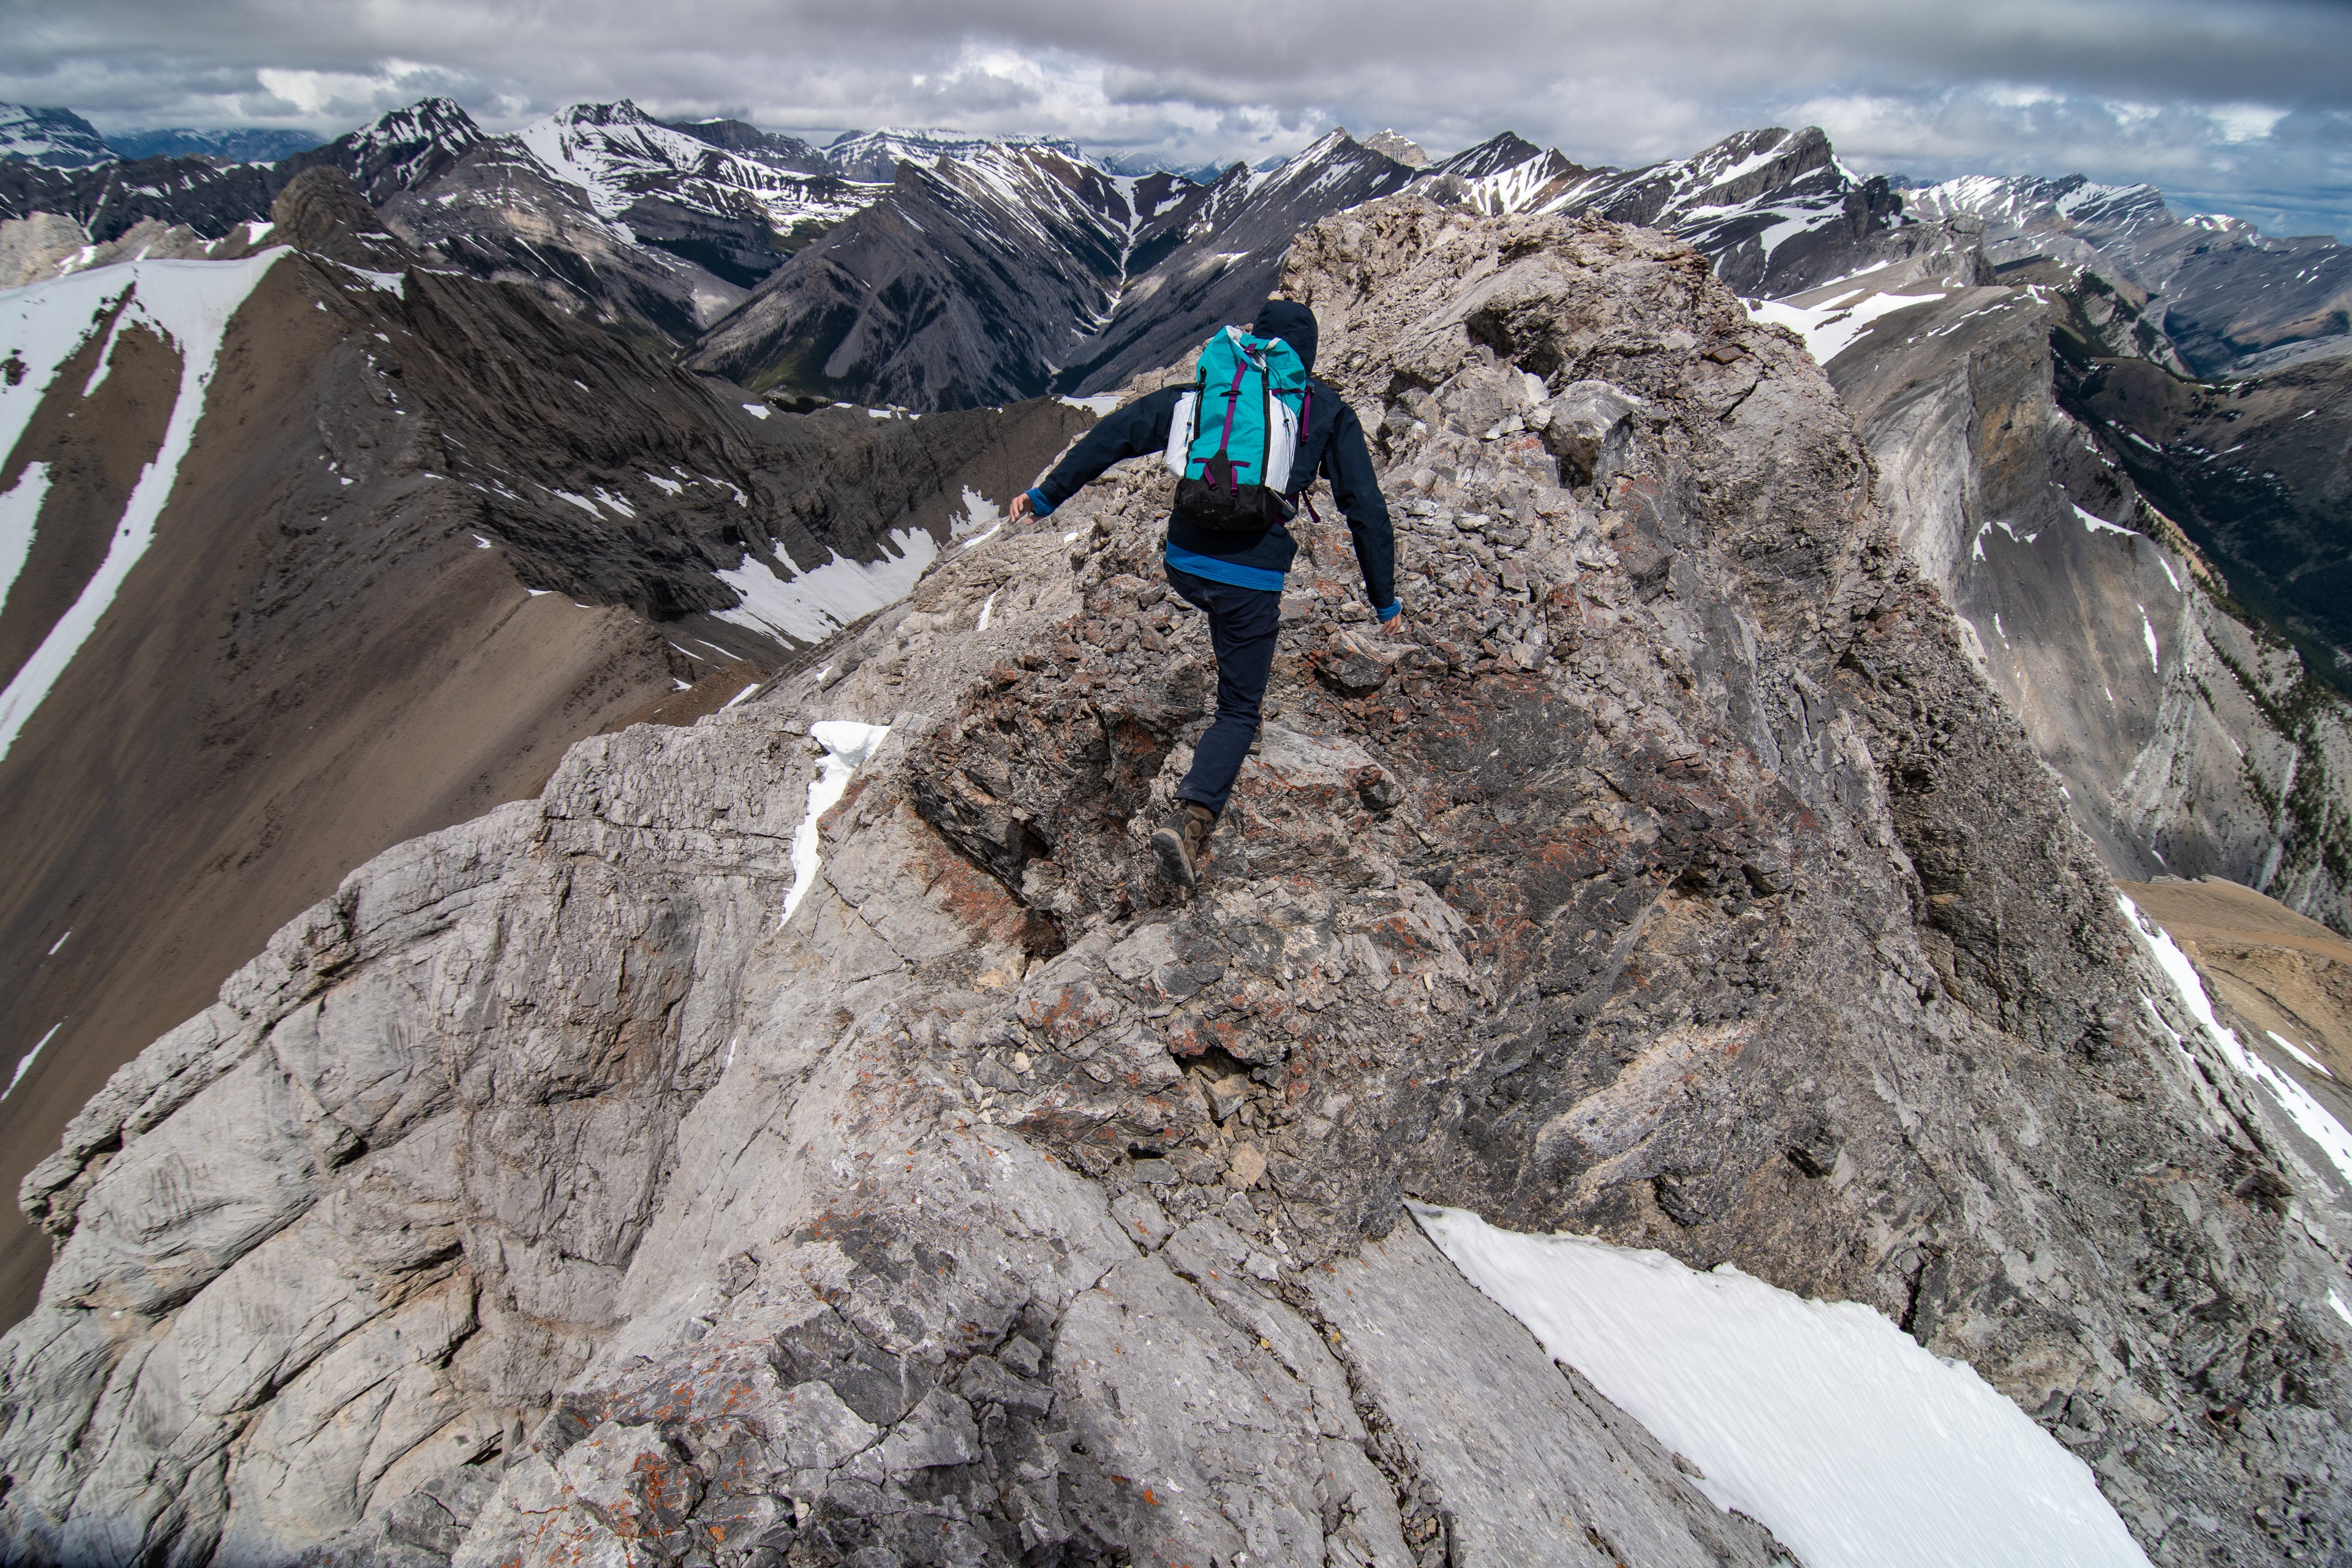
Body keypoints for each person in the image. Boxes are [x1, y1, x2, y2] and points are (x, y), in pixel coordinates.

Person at [1009, 299, 1402, 886]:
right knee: (1240, 709)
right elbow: (1366, 509)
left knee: (1221, 608)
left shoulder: (1216, 386)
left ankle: (1229, 685)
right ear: (1307, 354)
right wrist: (1383, 599)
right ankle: (1191, 818)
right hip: (1249, 578)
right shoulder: (1322, 408)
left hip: (1184, 561)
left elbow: (1118, 432)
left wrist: (1046, 497)